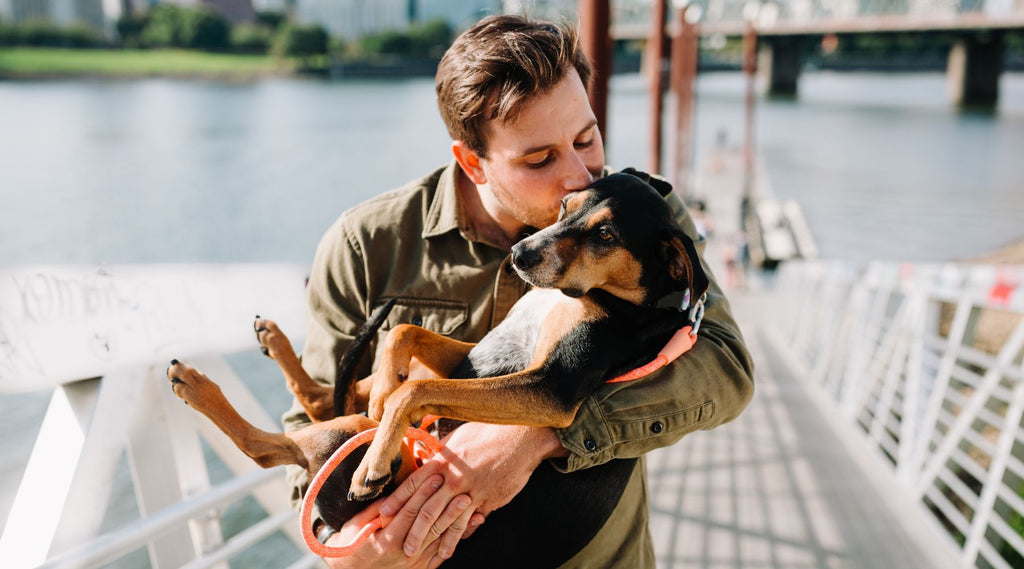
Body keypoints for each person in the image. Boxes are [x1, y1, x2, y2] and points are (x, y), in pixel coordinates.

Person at [282, 15, 754, 568]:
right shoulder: (365, 246)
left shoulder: (641, 217)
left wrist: (539, 433)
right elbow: (306, 448)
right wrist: (361, 547)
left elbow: (726, 370)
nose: (580, 176)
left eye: (586, 138)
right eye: (540, 159)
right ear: (472, 163)